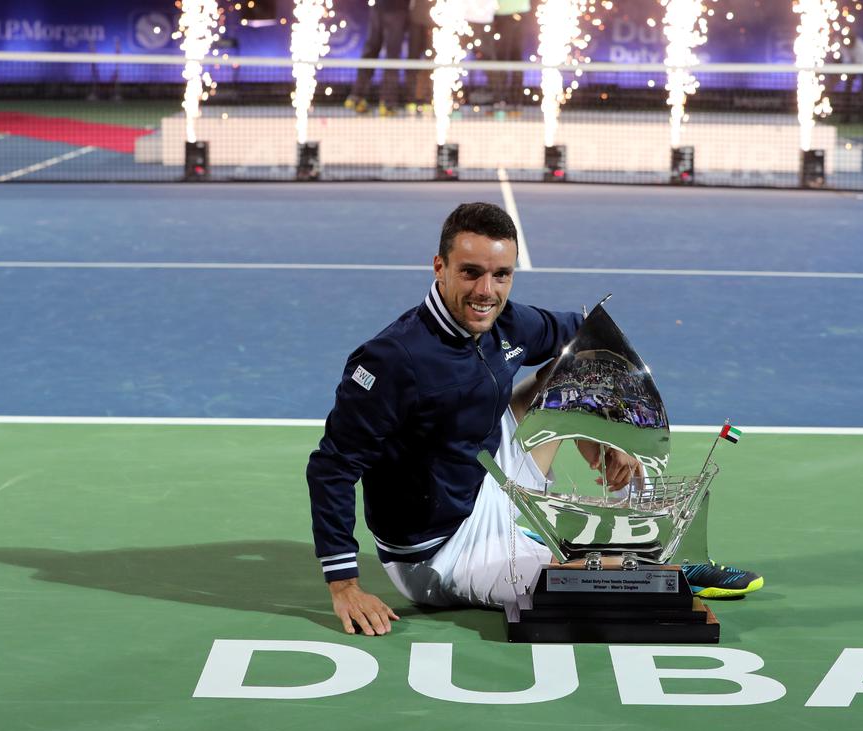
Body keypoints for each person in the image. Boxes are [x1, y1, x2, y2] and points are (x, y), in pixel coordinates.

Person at [307, 202, 763, 636]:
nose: (486, 291)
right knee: (585, 582)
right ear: (439, 267)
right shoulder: (393, 359)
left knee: (570, 366)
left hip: (481, 475)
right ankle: (664, 565)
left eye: (501, 275)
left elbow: (587, 332)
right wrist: (343, 584)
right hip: (439, 550)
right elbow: (332, 468)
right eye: (471, 273)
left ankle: (629, 520)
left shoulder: (504, 323)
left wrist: (599, 431)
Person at [344, 0, 411, 116]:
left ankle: (356, 96)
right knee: (391, 56)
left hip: (380, 7)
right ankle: (387, 104)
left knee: (371, 51)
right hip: (395, 9)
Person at [490, 0, 530, 114]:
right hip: (513, 13)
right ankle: (512, 103)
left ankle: (504, 103)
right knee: (511, 59)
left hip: (508, 14)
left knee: (506, 59)